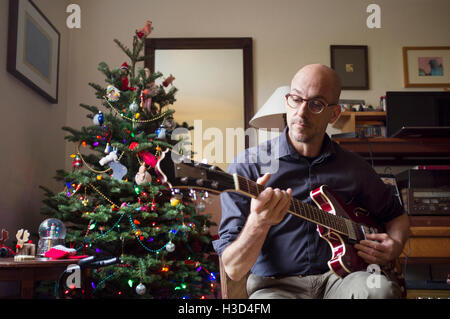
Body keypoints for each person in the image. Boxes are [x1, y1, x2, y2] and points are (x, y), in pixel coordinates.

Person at [212, 64, 410, 299]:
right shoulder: (248, 166)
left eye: (316, 104)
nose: (301, 112)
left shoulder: (355, 167)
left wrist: (395, 244)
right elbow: (234, 269)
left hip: (343, 279)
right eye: (296, 99)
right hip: (276, 286)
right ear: (287, 101)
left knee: (381, 290)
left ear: (334, 114)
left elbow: (396, 216)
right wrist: (259, 221)